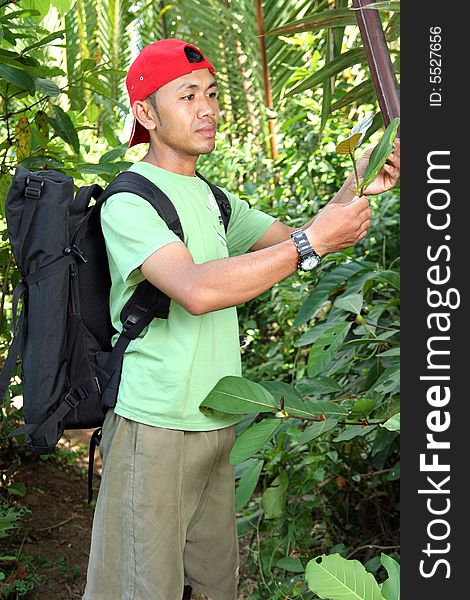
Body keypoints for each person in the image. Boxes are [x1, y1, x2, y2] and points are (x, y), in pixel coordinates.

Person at [82, 38, 400, 600]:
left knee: (214, 586)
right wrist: (309, 241)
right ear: (145, 114)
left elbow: (296, 240)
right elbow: (197, 290)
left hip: (216, 423)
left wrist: (358, 185)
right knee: (138, 589)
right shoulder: (129, 202)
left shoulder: (213, 198)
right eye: (187, 97)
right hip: (153, 429)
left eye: (210, 94)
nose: (207, 109)